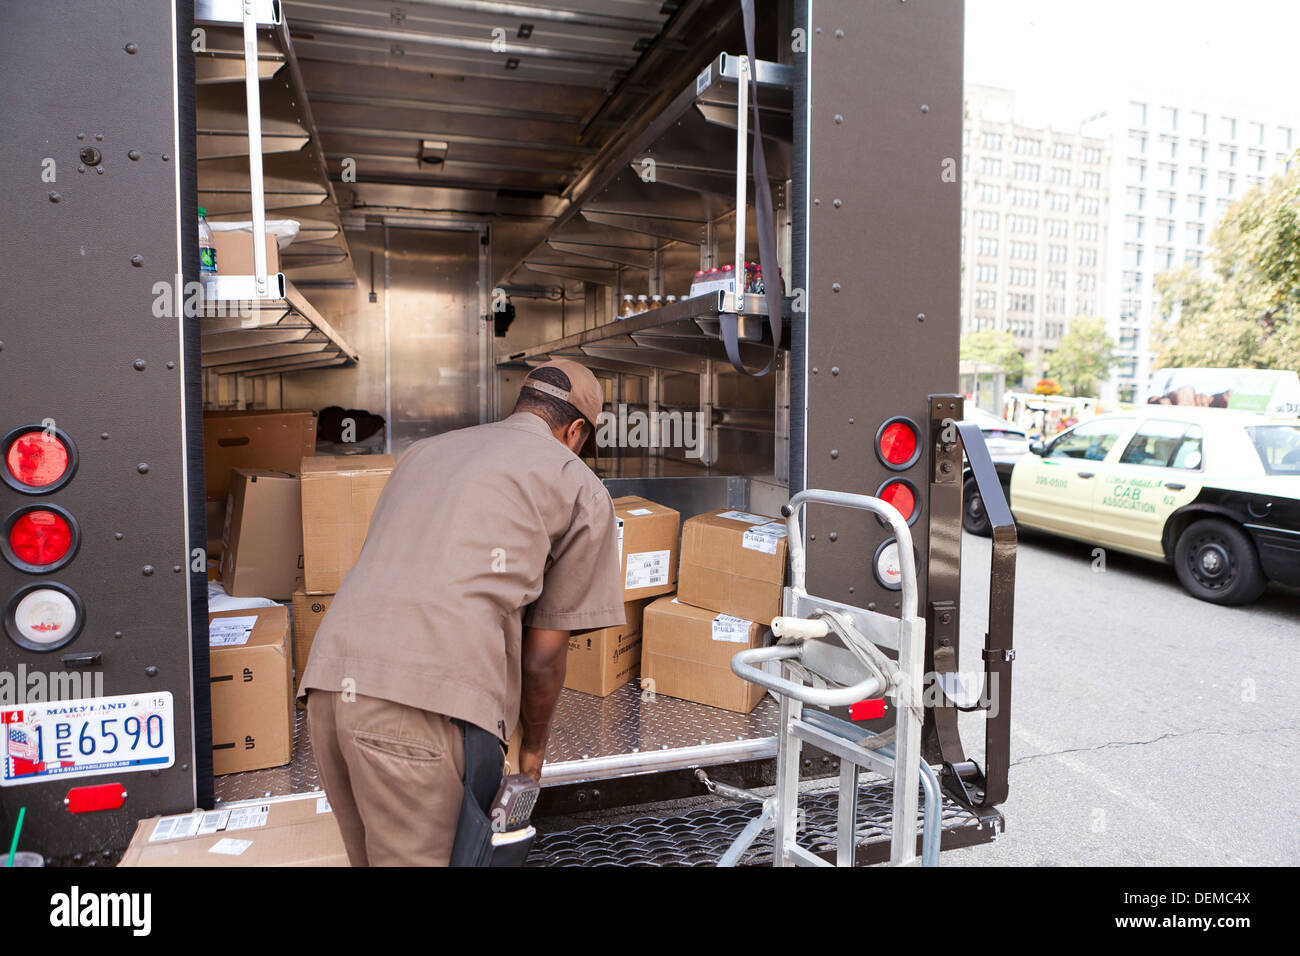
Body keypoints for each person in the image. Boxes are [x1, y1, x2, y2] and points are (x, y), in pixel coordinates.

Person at [298, 359, 625, 866]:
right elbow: (543, 656)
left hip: (328, 687)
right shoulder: (577, 483)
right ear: (576, 430)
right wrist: (532, 752)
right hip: (420, 711)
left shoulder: (423, 452)